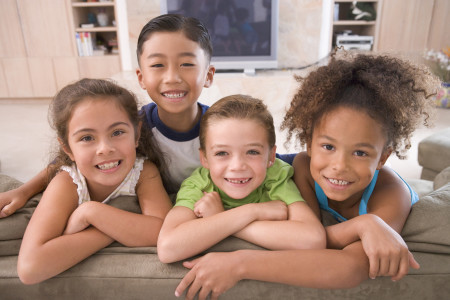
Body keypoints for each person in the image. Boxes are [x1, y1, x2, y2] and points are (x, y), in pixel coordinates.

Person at [173, 53, 440, 300]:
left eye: (360, 152)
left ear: (382, 157)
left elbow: (350, 266)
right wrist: (359, 226)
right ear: (308, 144)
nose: (339, 166)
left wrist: (238, 263)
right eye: (328, 147)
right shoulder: (303, 164)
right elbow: (312, 238)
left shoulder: (391, 192)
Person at [0, 13, 294, 215]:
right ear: (141, 78)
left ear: (208, 74)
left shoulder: (223, 129)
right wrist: (25, 191)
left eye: (187, 64)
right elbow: (66, 160)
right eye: (157, 66)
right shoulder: (129, 127)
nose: (172, 78)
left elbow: (266, 159)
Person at [17, 78, 172, 284]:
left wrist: (91, 213)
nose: (105, 148)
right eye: (87, 138)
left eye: (117, 132)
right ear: (67, 148)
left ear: (136, 134)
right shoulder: (67, 182)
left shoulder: (143, 171)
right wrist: (109, 230)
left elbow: (164, 232)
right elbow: (30, 268)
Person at [157, 95, 325, 264]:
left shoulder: (275, 176)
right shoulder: (199, 185)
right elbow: (167, 249)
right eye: (222, 153)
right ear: (205, 159)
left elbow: (313, 240)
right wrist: (252, 212)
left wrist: (220, 218)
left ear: (271, 156)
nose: (237, 166)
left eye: (252, 152)